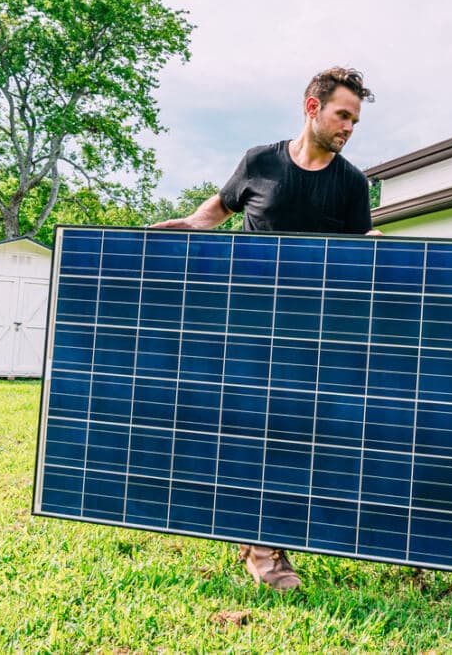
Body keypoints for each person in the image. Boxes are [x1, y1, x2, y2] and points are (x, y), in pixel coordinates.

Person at [151, 66, 379, 591]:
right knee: (257, 435)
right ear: (312, 108)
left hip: (312, 335)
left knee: (301, 439)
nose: (349, 127)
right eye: (343, 115)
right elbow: (214, 213)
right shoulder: (260, 162)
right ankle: (263, 551)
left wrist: (388, 253)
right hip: (250, 330)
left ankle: (268, 536)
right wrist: (184, 227)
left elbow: (359, 256)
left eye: (355, 120)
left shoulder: (352, 184)